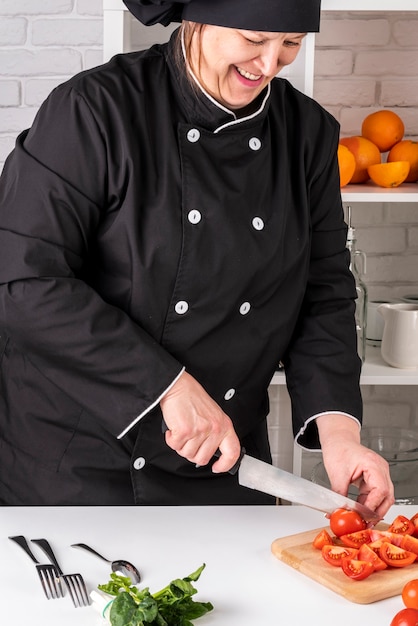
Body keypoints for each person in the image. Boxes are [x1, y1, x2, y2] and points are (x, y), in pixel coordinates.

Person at [0, 0, 394, 514]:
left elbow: (324, 292)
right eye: (254, 40)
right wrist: (167, 385)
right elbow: (23, 278)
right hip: (81, 459)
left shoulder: (307, 134)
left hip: (221, 458)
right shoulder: (95, 110)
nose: (270, 64)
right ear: (197, 19)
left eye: (291, 43)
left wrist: (340, 431)